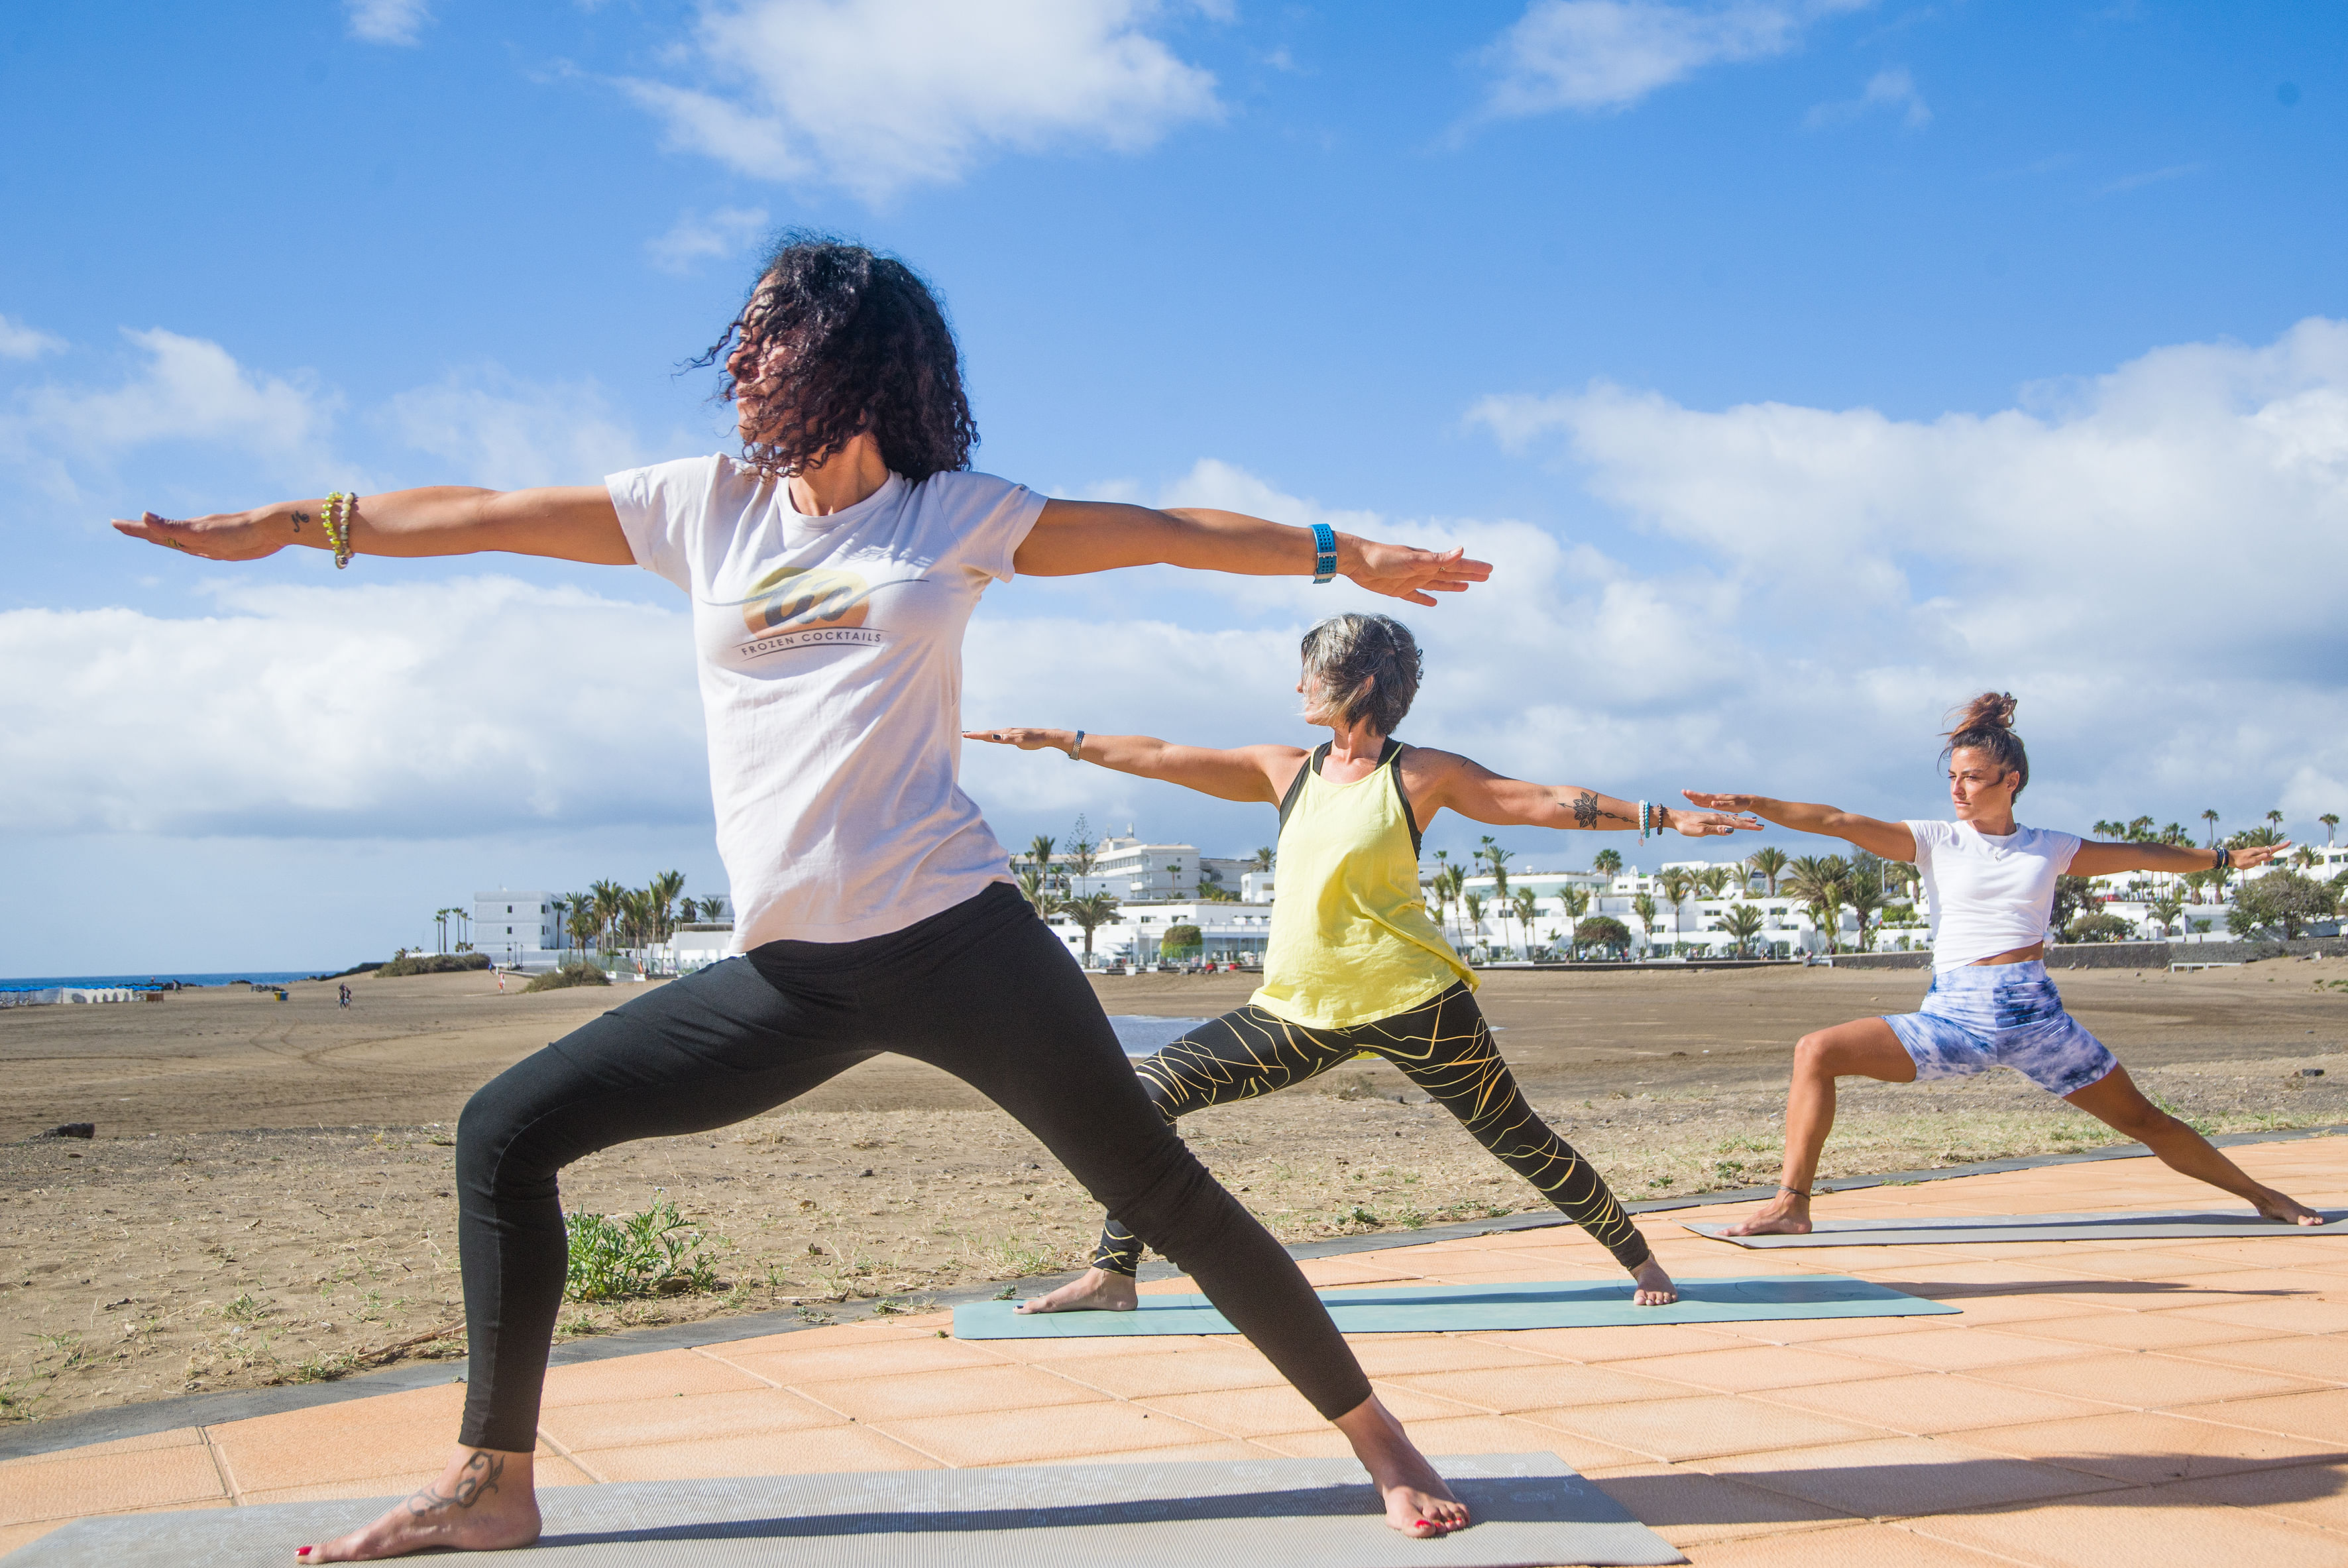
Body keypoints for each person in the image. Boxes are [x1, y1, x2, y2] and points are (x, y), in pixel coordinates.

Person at [115, 237, 1492, 1561]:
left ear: (845, 358)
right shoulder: (700, 506)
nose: (738, 355)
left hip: (959, 939)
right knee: (505, 1130)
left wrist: (1338, 550)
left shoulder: (952, 514)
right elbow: (481, 515)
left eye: (769, 330)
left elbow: (1160, 531)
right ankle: (491, 1482)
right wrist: (298, 526)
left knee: (1159, 1187)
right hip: (791, 971)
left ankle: (1383, 1444)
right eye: (743, 330)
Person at [968, 613, 1759, 1314]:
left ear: (1363, 683)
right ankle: (1115, 1273)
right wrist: (1065, 741)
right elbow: (1166, 754)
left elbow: (1542, 800)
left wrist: (1660, 817)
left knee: (1519, 1137)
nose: (1301, 685)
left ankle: (1639, 1254)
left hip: (1418, 1002)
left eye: (1314, 671)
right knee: (1145, 1091)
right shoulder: (1287, 769)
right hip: (1297, 1011)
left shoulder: (1421, 774)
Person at [1682, 692, 2323, 1237]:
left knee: (2143, 1120)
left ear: (2008, 780)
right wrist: (1755, 801)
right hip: (1954, 1021)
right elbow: (1837, 821)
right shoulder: (1933, 840)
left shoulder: (2049, 848)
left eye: (1972, 778)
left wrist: (2217, 860)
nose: (1959, 790)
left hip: (2037, 1022)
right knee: (1816, 1051)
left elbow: (2139, 854)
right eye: (1953, 778)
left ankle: (2265, 1197)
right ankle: (1792, 1207)